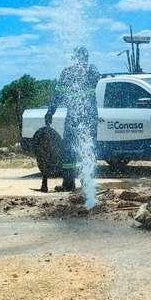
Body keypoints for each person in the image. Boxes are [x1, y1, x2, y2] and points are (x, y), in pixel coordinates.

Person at [45, 46, 101, 192]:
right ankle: (86, 182)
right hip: (88, 118)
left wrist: (50, 112)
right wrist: (50, 111)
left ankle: (70, 183)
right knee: (86, 149)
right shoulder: (93, 71)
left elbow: (56, 95)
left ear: (74, 57)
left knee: (70, 151)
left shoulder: (68, 72)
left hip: (75, 119)